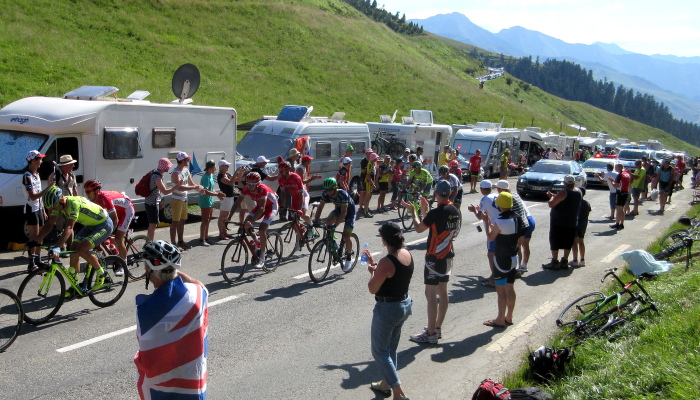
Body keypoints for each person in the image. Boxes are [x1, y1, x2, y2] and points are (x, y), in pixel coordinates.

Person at [135, 240, 208, 400]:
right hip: (192, 386)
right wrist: (176, 273)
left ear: (149, 270)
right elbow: (200, 286)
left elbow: (144, 345)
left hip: (161, 389)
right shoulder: (196, 295)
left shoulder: (145, 309)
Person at [404, 181, 460, 344]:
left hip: (434, 257)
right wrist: (425, 212)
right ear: (449, 193)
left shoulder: (436, 212)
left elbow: (419, 228)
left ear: (436, 193)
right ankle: (437, 328)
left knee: (430, 294)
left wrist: (414, 212)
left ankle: (430, 333)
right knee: (442, 292)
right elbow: (436, 225)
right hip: (448, 253)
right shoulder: (454, 210)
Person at [33, 186, 114, 294]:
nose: (53, 209)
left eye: (54, 207)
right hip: (90, 225)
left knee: (81, 249)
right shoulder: (59, 204)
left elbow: (69, 227)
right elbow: (50, 223)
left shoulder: (73, 204)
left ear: (61, 200)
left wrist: (58, 246)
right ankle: (74, 285)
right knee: (73, 249)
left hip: (104, 225)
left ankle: (101, 273)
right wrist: (35, 240)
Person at [365, 222, 413, 400]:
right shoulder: (406, 254)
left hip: (388, 309)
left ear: (384, 240)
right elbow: (393, 277)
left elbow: (373, 288)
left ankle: (398, 393)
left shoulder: (386, 262)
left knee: (379, 351)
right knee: (391, 347)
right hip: (404, 305)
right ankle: (386, 383)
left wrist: (372, 272)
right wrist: (377, 269)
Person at [483, 191, 520, 328]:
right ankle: (509, 316)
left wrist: (486, 222)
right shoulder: (517, 218)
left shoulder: (500, 221)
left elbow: (491, 237)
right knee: (510, 287)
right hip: (513, 257)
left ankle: (500, 319)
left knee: (501, 290)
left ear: (500, 206)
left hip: (501, 260)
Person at [228, 172, 279, 269]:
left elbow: (262, 209)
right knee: (245, 225)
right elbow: (237, 202)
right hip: (260, 206)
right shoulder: (246, 188)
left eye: (252, 184)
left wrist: (251, 222)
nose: (250, 186)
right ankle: (257, 241)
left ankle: (262, 259)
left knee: (262, 229)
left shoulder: (262, 189)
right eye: (248, 183)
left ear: (258, 183)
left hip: (271, 207)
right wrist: (229, 217)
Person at [84, 179, 135, 275]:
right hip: (117, 210)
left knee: (118, 239)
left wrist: (109, 234)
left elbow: (114, 219)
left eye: (89, 191)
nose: (87, 194)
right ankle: (112, 255)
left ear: (96, 191)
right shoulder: (94, 199)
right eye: (85, 191)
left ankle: (123, 266)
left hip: (127, 211)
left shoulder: (104, 198)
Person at [313, 178, 357, 271]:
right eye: (326, 190)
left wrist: (335, 226)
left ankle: (349, 258)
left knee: (346, 235)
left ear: (335, 187)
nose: (328, 192)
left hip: (349, 212)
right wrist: (315, 221)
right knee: (328, 221)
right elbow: (320, 207)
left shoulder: (342, 194)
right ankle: (332, 242)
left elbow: (344, 213)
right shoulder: (325, 194)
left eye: (330, 189)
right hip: (339, 210)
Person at [542, 175, 581, 270]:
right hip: (571, 221)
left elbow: (551, 204)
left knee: (555, 240)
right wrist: (556, 196)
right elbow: (565, 199)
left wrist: (551, 197)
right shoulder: (578, 192)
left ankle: (555, 261)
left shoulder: (564, 192)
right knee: (568, 241)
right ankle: (564, 261)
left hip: (559, 221)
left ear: (565, 183)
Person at [468, 180, 500, 287]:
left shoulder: (485, 199)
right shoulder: (497, 195)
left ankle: (495, 279)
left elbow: (480, 216)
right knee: (498, 253)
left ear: (482, 189)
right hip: (502, 225)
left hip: (492, 227)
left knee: (491, 255)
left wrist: (474, 210)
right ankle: (493, 275)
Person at [495, 180, 531, 274]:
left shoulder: (506, 198)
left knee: (516, 247)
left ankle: (516, 269)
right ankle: (518, 267)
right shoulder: (515, 194)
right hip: (524, 224)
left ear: (500, 189)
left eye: (497, 189)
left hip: (518, 225)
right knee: (518, 246)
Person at [170, 152, 203, 250]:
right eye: (186, 160)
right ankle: (173, 244)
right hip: (176, 199)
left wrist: (199, 189)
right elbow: (180, 187)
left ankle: (180, 241)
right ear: (181, 161)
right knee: (175, 222)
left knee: (182, 221)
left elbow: (191, 183)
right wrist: (194, 187)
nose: (188, 161)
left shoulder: (186, 171)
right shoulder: (176, 173)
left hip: (184, 199)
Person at [48, 154, 80, 249]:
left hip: (70, 204)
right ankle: (62, 246)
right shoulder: (54, 176)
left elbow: (75, 189)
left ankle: (70, 246)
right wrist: (50, 208)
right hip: (59, 205)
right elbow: (50, 192)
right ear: (65, 166)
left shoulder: (72, 175)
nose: (73, 166)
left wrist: (77, 201)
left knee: (70, 225)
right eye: (71, 165)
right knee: (60, 226)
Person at [23, 150, 48, 272]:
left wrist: (43, 210)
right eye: (39, 159)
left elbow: (40, 196)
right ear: (33, 161)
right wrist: (47, 189)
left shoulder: (37, 174)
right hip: (31, 208)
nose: (41, 162)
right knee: (34, 237)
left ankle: (38, 259)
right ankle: (31, 263)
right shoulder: (27, 176)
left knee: (41, 236)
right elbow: (32, 196)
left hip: (38, 208)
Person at [145, 158, 176, 241]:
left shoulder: (155, 173)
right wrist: (175, 187)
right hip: (152, 203)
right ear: (164, 167)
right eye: (168, 166)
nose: (169, 168)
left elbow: (157, 191)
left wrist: (160, 200)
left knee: (153, 224)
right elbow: (165, 191)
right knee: (153, 225)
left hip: (151, 201)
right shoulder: (157, 177)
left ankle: (149, 242)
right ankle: (149, 243)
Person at [198, 161, 225, 247]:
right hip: (205, 201)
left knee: (208, 220)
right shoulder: (205, 177)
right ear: (209, 169)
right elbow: (205, 191)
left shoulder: (211, 176)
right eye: (214, 168)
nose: (215, 169)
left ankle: (206, 237)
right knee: (205, 220)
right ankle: (202, 238)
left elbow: (211, 189)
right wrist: (217, 194)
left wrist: (218, 193)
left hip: (210, 200)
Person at [277, 161, 312, 227]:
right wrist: (282, 206)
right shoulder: (280, 179)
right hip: (294, 197)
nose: (280, 173)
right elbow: (283, 193)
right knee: (295, 220)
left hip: (303, 196)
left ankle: (311, 225)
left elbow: (301, 194)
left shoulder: (296, 178)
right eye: (279, 171)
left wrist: (299, 209)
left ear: (287, 170)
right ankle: (299, 234)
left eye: (282, 171)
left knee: (302, 214)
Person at [570, 188, 591, 267]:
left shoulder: (574, 203)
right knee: (581, 241)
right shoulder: (586, 203)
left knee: (574, 242)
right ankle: (582, 260)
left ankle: (575, 260)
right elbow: (587, 213)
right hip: (583, 224)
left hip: (574, 224)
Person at [216, 160, 236, 240]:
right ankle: (221, 233)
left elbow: (237, 179)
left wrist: (241, 172)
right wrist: (236, 172)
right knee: (222, 216)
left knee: (226, 216)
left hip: (230, 197)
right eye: (227, 166)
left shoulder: (227, 174)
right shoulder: (221, 176)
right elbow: (230, 182)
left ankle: (225, 232)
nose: (228, 167)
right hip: (225, 197)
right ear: (222, 167)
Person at [610, 164, 630, 230]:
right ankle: (621, 223)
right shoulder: (626, 174)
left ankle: (617, 223)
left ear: (619, 168)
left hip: (620, 192)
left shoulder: (619, 175)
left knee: (618, 209)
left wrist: (612, 181)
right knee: (622, 208)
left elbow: (615, 185)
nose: (615, 168)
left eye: (616, 167)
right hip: (626, 191)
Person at [359, 150, 377, 218]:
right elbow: (368, 175)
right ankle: (365, 211)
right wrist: (373, 184)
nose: (377, 159)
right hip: (367, 182)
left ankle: (366, 209)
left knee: (369, 197)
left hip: (369, 182)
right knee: (367, 197)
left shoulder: (372, 164)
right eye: (376, 157)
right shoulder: (369, 164)